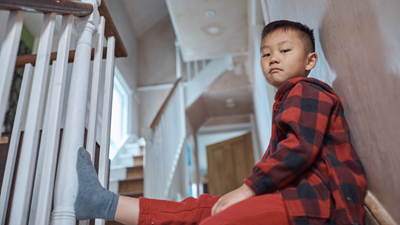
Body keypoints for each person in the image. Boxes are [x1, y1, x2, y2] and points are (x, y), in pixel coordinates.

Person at [74, 20, 367, 225]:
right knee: (199, 208)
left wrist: (247, 189)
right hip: (291, 196)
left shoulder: (308, 89)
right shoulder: (288, 99)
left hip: (313, 203)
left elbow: (299, 149)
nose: (273, 59)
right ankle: (103, 203)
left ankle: (104, 203)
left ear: (310, 60)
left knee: (217, 215)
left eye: (284, 51)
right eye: (266, 54)